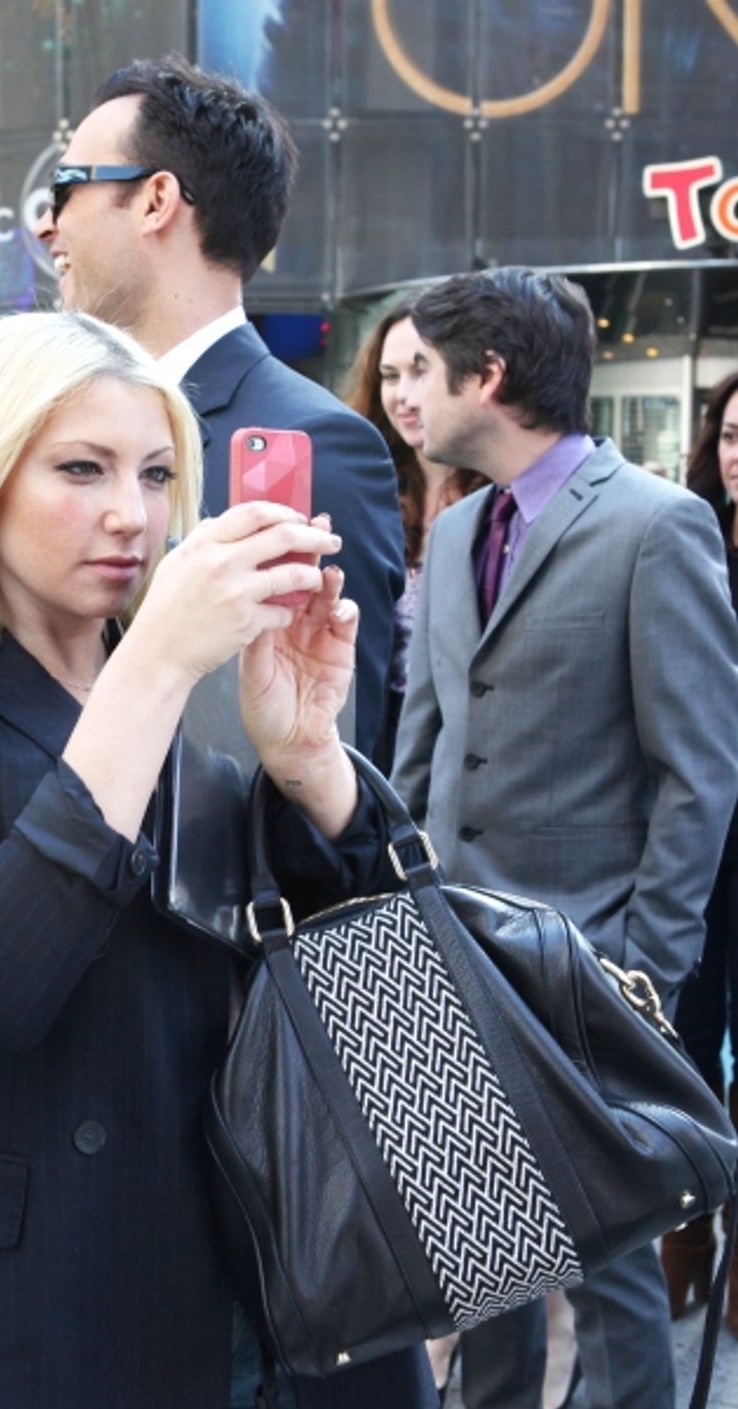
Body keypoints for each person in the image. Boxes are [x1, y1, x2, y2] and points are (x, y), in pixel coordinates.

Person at [0, 309, 435, 1409]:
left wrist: (307, 756)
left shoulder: (209, 671)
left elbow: (386, 973)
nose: (129, 514)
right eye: (80, 468)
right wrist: (149, 666)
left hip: (289, 1260)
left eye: (155, 473)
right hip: (59, 1293)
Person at [391, 270, 738, 1409]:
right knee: (480, 1272)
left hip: (590, 969)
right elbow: (420, 753)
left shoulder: (653, 522)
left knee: (608, 1269)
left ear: (484, 377)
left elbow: (695, 772)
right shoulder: (449, 537)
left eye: (418, 370)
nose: (404, 395)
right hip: (448, 964)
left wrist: (645, 966)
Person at [34, 54, 404, 758]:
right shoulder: (66, 424)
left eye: (66, 188)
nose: (49, 227)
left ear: (156, 200)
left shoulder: (311, 440)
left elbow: (335, 752)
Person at [665, 369, 738, 1327]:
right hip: (698, 828)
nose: (737, 454)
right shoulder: (690, 540)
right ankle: (684, 1238)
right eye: (728, 435)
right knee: (684, 1032)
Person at [340, 303, 487, 770]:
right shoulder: (361, 486)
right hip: (369, 734)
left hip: (467, 743)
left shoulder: (499, 496)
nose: (403, 395)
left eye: (419, 371)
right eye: (389, 375)